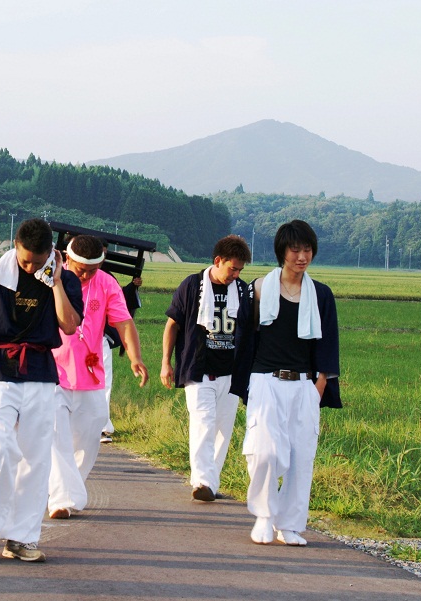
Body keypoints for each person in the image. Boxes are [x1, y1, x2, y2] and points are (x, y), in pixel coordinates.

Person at [0, 218, 83, 564]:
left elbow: (69, 325)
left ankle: (21, 536)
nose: (29, 266)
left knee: (36, 456)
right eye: (25, 260)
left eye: (37, 262)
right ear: (15, 245)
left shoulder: (64, 279)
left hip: (40, 371)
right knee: (0, 448)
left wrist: (54, 282)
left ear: (50, 253)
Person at [231, 220, 341, 546]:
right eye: (295, 249)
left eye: (307, 249)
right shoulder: (260, 288)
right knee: (264, 452)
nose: (302, 256)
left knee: (301, 456)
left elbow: (328, 343)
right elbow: (244, 338)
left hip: (304, 385)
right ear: (283, 252)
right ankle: (265, 515)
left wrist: (318, 386)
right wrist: (246, 383)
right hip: (265, 380)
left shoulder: (320, 294)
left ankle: (289, 523)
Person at [47, 234, 148, 520]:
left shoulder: (106, 283)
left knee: (88, 437)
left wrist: (135, 357)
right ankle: (61, 498)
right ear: (68, 259)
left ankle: (66, 489)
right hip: (53, 371)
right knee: (58, 439)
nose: (85, 274)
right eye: (80, 267)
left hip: (90, 374)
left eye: (92, 269)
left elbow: (124, 322)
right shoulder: (53, 278)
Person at [161, 234, 253, 502]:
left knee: (223, 430)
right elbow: (172, 325)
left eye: (239, 270)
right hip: (199, 370)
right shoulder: (192, 285)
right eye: (232, 268)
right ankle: (202, 481)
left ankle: (210, 483)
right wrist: (166, 363)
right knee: (203, 423)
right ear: (218, 261)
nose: (235, 274)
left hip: (231, 373)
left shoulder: (243, 291)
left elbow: (250, 333)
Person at [102, 273, 142, 442]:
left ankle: (101, 427)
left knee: (103, 382)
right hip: (67, 339)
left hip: (99, 337)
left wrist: (133, 286)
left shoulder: (107, 279)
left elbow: (121, 305)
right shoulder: (63, 275)